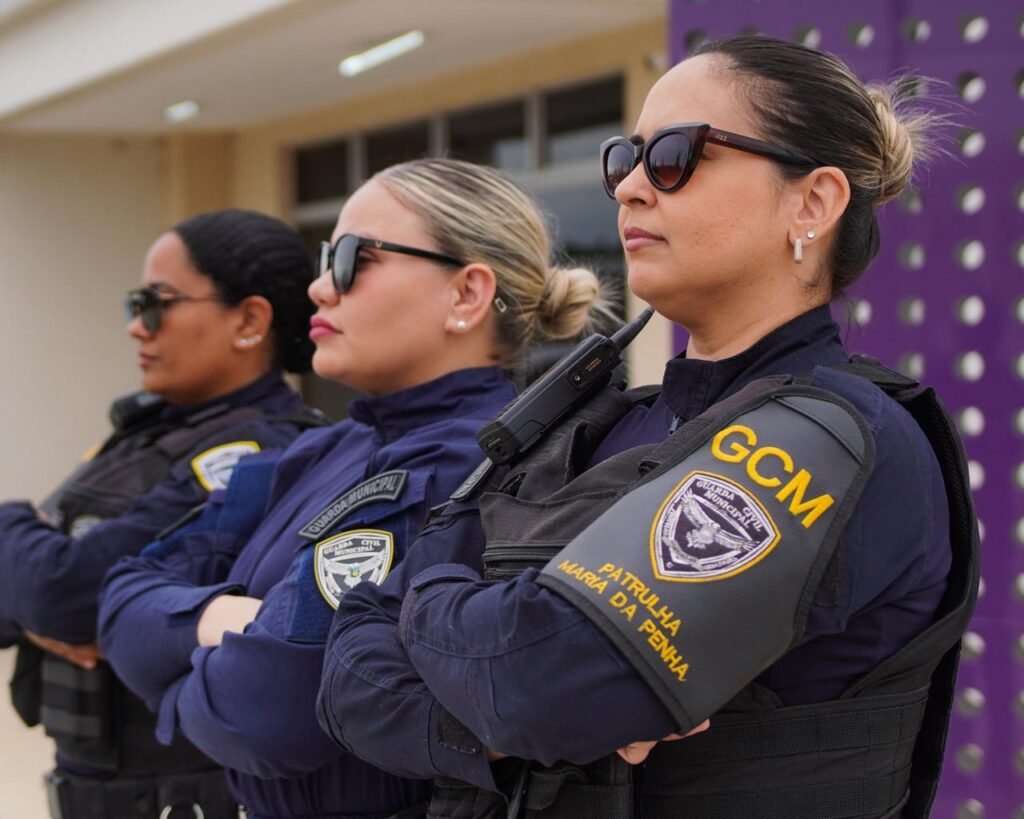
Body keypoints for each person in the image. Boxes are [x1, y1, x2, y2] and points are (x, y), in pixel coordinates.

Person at [317, 35, 978, 819]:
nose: (630, 186)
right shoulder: (599, 424)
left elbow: (537, 684)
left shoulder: (837, 437)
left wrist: (427, 598)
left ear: (813, 202)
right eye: (624, 158)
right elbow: (348, 677)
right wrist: (493, 712)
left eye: (675, 154)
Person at [97, 158, 614, 819]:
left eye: (349, 259)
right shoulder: (320, 450)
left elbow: (265, 713)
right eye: (323, 258)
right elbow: (120, 599)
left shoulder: (462, 469)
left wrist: (172, 686)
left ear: (466, 294)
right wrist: (220, 619)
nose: (319, 287)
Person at [0, 208, 325, 819]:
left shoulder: (264, 452)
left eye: (157, 303)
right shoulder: (146, 435)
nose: (136, 328)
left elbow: (61, 590)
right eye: (135, 304)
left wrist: (21, 550)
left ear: (249, 321)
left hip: (182, 797)